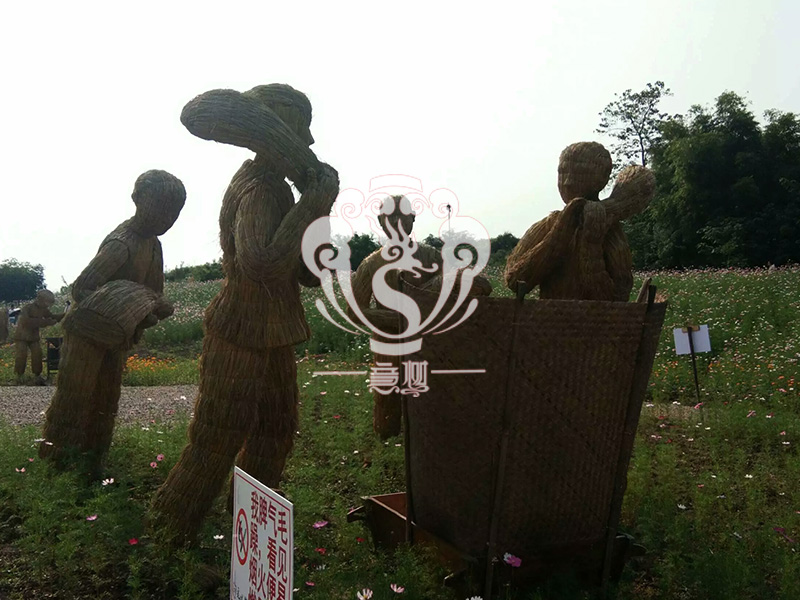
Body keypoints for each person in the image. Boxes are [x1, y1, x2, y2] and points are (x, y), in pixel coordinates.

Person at [150, 84, 339, 541]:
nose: (310, 140)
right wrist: (313, 203)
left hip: (274, 330)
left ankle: (252, 535)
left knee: (276, 430)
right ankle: (171, 530)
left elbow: (308, 274)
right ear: (281, 126)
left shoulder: (279, 191)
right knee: (218, 436)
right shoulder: (258, 189)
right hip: (241, 330)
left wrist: (319, 214)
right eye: (303, 127)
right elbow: (262, 264)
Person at [39, 170, 185, 468]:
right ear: (138, 199)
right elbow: (83, 287)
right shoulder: (123, 243)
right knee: (76, 397)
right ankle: (58, 463)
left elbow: (154, 291)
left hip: (117, 335)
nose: (166, 218)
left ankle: (94, 461)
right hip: (87, 333)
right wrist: (119, 302)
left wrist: (151, 309)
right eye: (160, 208)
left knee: (105, 399)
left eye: (174, 212)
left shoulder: (153, 246)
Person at [504, 142, 655, 301]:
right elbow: (515, 281)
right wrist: (560, 232)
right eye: (563, 172)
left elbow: (618, 296)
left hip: (597, 316)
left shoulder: (610, 232)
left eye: (580, 173)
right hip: (549, 313)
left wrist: (591, 244)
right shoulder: (549, 225)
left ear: (602, 178)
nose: (567, 182)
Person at [348, 195, 442, 438]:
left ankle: (423, 438)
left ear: (413, 218)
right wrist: (397, 319)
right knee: (386, 397)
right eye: (391, 216)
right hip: (387, 345)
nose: (398, 221)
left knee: (424, 395)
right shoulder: (371, 263)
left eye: (403, 215)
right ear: (381, 221)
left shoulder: (431, 257)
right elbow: (355, 311)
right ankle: (386, 437)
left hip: (425, 344)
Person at [13, 290, 63, 384]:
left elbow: (52, 316)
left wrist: (64, 315)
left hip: (34, 337)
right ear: (40, 299)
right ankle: (19, 375)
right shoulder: (27, 308)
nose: (47, 305)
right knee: (21, 355)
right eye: (46, 302)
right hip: (22, 336)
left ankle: (37, 375)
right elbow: (26, 321)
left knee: (37, 354)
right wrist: (45, 322)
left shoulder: (43, 310)